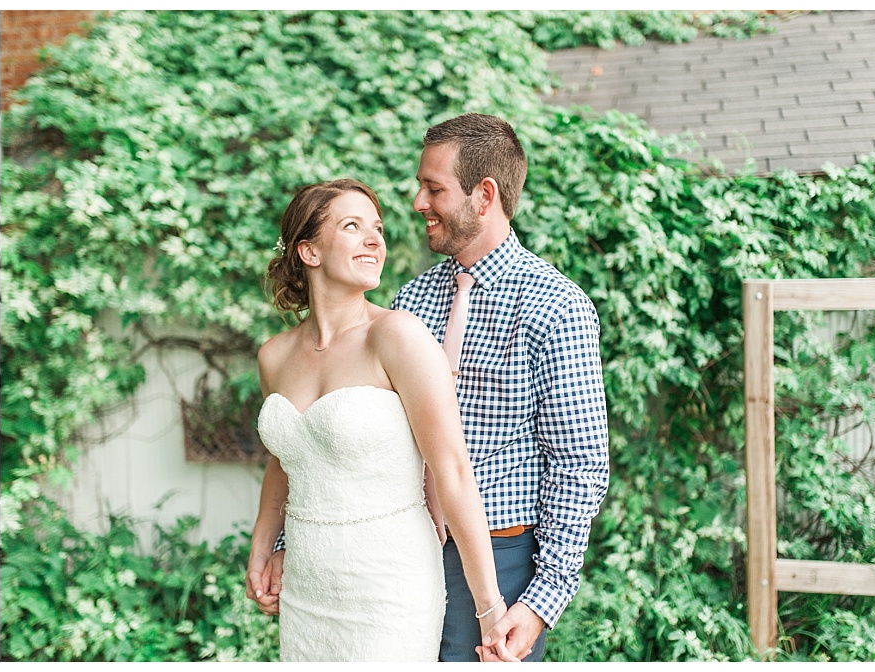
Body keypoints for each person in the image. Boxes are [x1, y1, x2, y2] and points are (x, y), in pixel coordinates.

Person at [253, 114, 610, 662]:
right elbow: (327, 446)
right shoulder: (409, 301)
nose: (418, 202)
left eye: (433, 188)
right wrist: (281, 543)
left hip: (501, 551)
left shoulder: (556, 307)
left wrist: (541, 598)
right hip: (395, 549)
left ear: (483, 194)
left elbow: (580, 465)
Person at [245, 179, 516, 662]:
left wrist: (489, 607)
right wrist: (262, 549)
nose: (375, 239)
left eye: (378, 228)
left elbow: (453, 472)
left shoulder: (399, 337)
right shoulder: (274, 356)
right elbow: (285, 461)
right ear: (308, 250)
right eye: (353, 226)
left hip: (389, 590)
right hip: (306, 590)